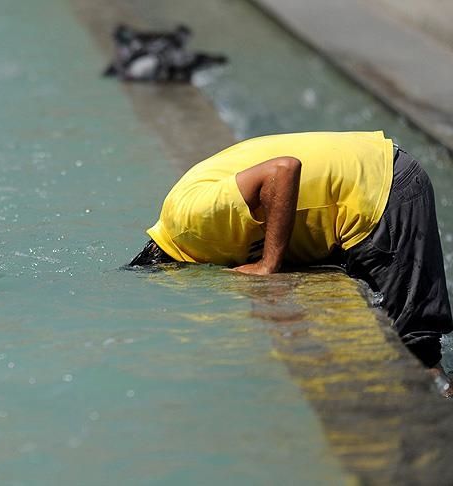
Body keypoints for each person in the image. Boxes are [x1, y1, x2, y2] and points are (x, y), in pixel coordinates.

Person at [131, 131, 453, 393]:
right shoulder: (184, 220)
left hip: (380, 191)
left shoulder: (191, 222)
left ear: (170, 268)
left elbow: (283, 170)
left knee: (416, 354)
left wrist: (268, 264)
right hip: (367, 178)